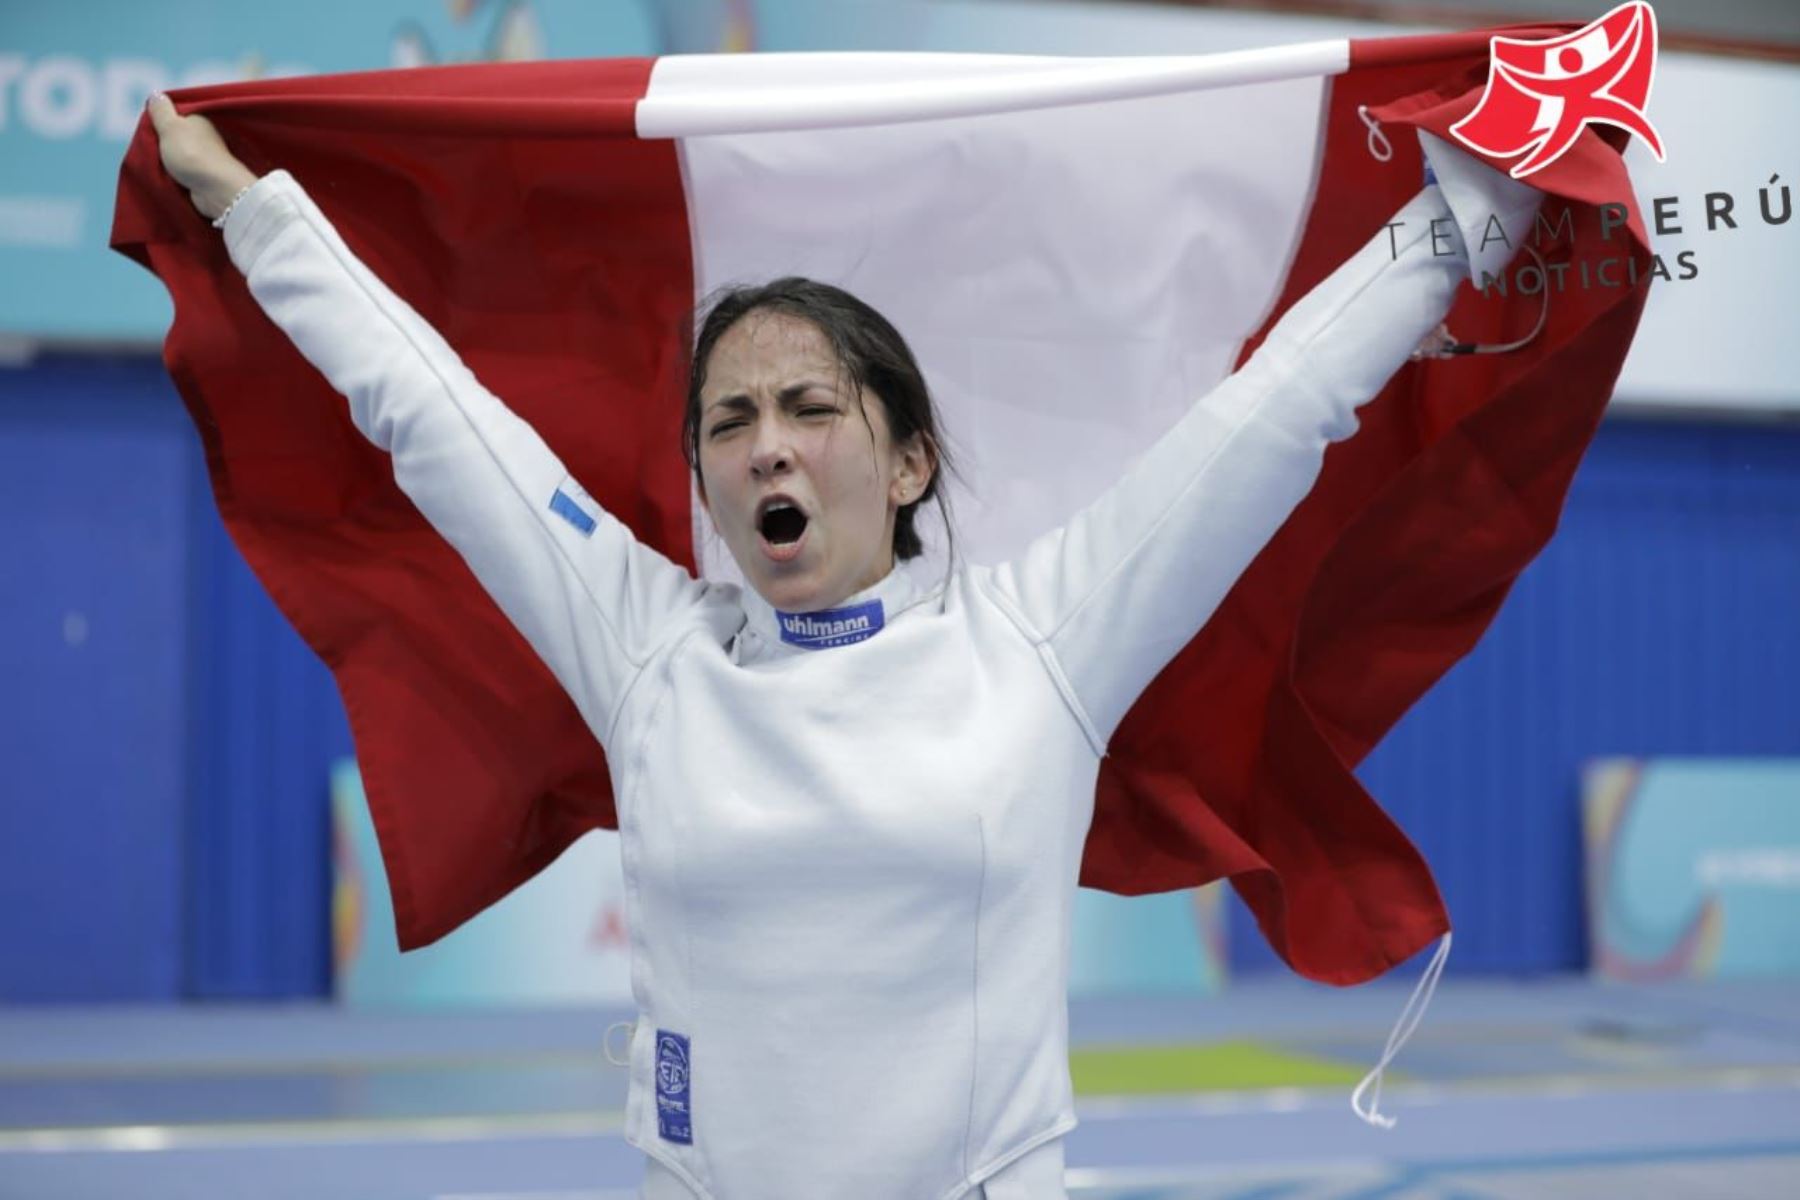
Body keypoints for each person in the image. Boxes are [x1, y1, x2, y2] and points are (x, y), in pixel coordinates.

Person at [149, 91, 1537, 1200]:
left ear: (911, 461)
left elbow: (1274, 414)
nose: (767, 445)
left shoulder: (1042, 638)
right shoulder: (647, 651)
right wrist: (256, 212)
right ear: (705, 480)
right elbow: (439, 423)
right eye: (730, 421)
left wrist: (1469, 211)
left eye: (810, 407)